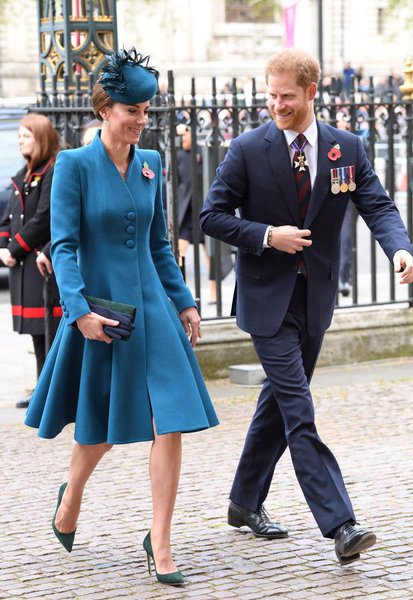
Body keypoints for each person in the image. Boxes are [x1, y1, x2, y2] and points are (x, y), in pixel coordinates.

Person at [200, 48, 413, 566]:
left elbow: (377, 205)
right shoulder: (246, 149)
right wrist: (267, 235)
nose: (276, 105)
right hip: (265, 301)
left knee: (277, 404)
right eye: (271, 95)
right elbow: (211, 216)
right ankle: (341, 524)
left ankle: (244, 501)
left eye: (287, 96)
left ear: (312, 92)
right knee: (299, 410)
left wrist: (400, 248)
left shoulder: (347, 147)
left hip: (315, 300)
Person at [25, 48, 218, 586]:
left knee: (169, 420)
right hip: (104, 311)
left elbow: (159, 245)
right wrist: (79, 311)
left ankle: (160, 540)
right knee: (103, 426)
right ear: (105, 109)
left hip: (154, 308)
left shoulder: (151, 162)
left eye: (146, 110)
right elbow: (64, 246)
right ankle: (72, 494)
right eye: (133, 110)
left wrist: (185, 302)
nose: (141, 120)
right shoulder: (74, 165)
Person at [0, 114, 62, 408]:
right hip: (26, 266)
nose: (20, 141)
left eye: (26, 135)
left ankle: (50, 391)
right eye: (19, 136)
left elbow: (43, 217)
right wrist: (3, 246)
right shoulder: (23, 174)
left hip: (42, 261)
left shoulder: (52, 171)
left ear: (41, 138)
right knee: (37, 331)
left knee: (49, 328)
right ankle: (42, 388)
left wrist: (14, 249)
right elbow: (8, 216)